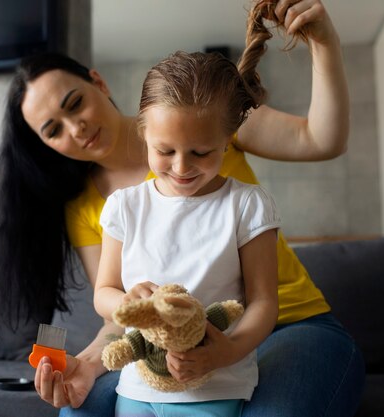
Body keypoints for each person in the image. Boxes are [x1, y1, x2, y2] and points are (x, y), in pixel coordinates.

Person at [0, 0, 365, 416]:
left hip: (291, 325)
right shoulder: (92, 206)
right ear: (46, 145)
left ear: (98, 82)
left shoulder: (203, 117)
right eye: (53, 129)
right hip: (167, 349)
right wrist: (86, 365)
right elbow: (119, 312)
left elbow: (323, 140)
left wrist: (324, 43)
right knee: (78, 411)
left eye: (74, 103)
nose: (77, 128)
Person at [93, 39, 284, 414]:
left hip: (216, 387)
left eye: (201, 152)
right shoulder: (124, 206)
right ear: (144, 133)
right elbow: (104, 291)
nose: (181, 167)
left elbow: (264, 302)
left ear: (227, 141)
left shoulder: (246, 204)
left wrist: (225, 351)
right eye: (165, 151)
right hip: (138, 385)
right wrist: (127, 301)